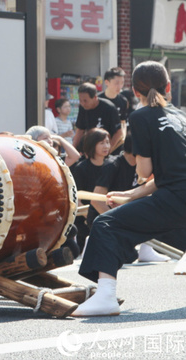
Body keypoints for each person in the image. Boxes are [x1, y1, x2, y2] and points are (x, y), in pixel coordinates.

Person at [72, 61, 186, 317]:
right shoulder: (181, 116)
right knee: (163, 228)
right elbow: (171, 174)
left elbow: (145, 172)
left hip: (175, 198)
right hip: (177, 197)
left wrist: (136, 184)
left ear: (134, 92)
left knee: (106, 225)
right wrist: (130, 195)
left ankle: (105, 296)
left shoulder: (139, 116)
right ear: (167, 87)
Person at [88, 132, 169, 263]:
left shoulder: (140, 166)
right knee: (127, 257)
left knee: (152, 207)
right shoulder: (112, 165)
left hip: (126, 213)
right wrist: (116, 220)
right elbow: (96, 201)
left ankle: (146, 250)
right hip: (104, 217)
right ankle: (91, 242)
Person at [71, 128, 112, 253]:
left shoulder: (112, 165)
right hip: (85, 217)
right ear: (92, 144)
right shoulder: (81, 168)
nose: (106, 146)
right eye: (101, 143)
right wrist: (87, 215)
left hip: (107, 212)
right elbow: (76, 197)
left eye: (107, 142)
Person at [72, 82, 123, 154]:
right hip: (91, 148)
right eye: (80, 100)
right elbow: (80, 130)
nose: (83, 103)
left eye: (85, 101)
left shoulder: (109, 108)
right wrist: (73, 149)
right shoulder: (83, 107)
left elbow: (119, 132)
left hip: (108, 148)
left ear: (95, 97)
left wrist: (108, 149)